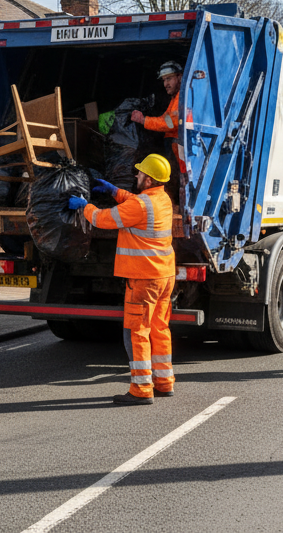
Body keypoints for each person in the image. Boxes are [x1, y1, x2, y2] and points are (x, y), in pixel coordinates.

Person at [69, 154, 175, 405]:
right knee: (159, 328)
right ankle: (164, 381)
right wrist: (116, 191)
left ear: (148, 180)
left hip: (144, 278)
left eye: (139, 174)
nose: (135, 176)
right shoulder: (162, 199)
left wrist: (83, 206)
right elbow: (137, 204)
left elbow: (103, 219)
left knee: (137, 331)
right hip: (164, 276)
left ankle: (141, 389)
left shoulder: (140, 206)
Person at [132, 61, 183, 170]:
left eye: (169, 78)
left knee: (182, 179)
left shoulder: (181, 98)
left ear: (180, 77)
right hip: (175, 146)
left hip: (179, 146)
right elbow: (166, 120)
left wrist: (143, 120)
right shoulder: (175, 98)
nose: (165, 84)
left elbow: (170, 124)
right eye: (164, 80)